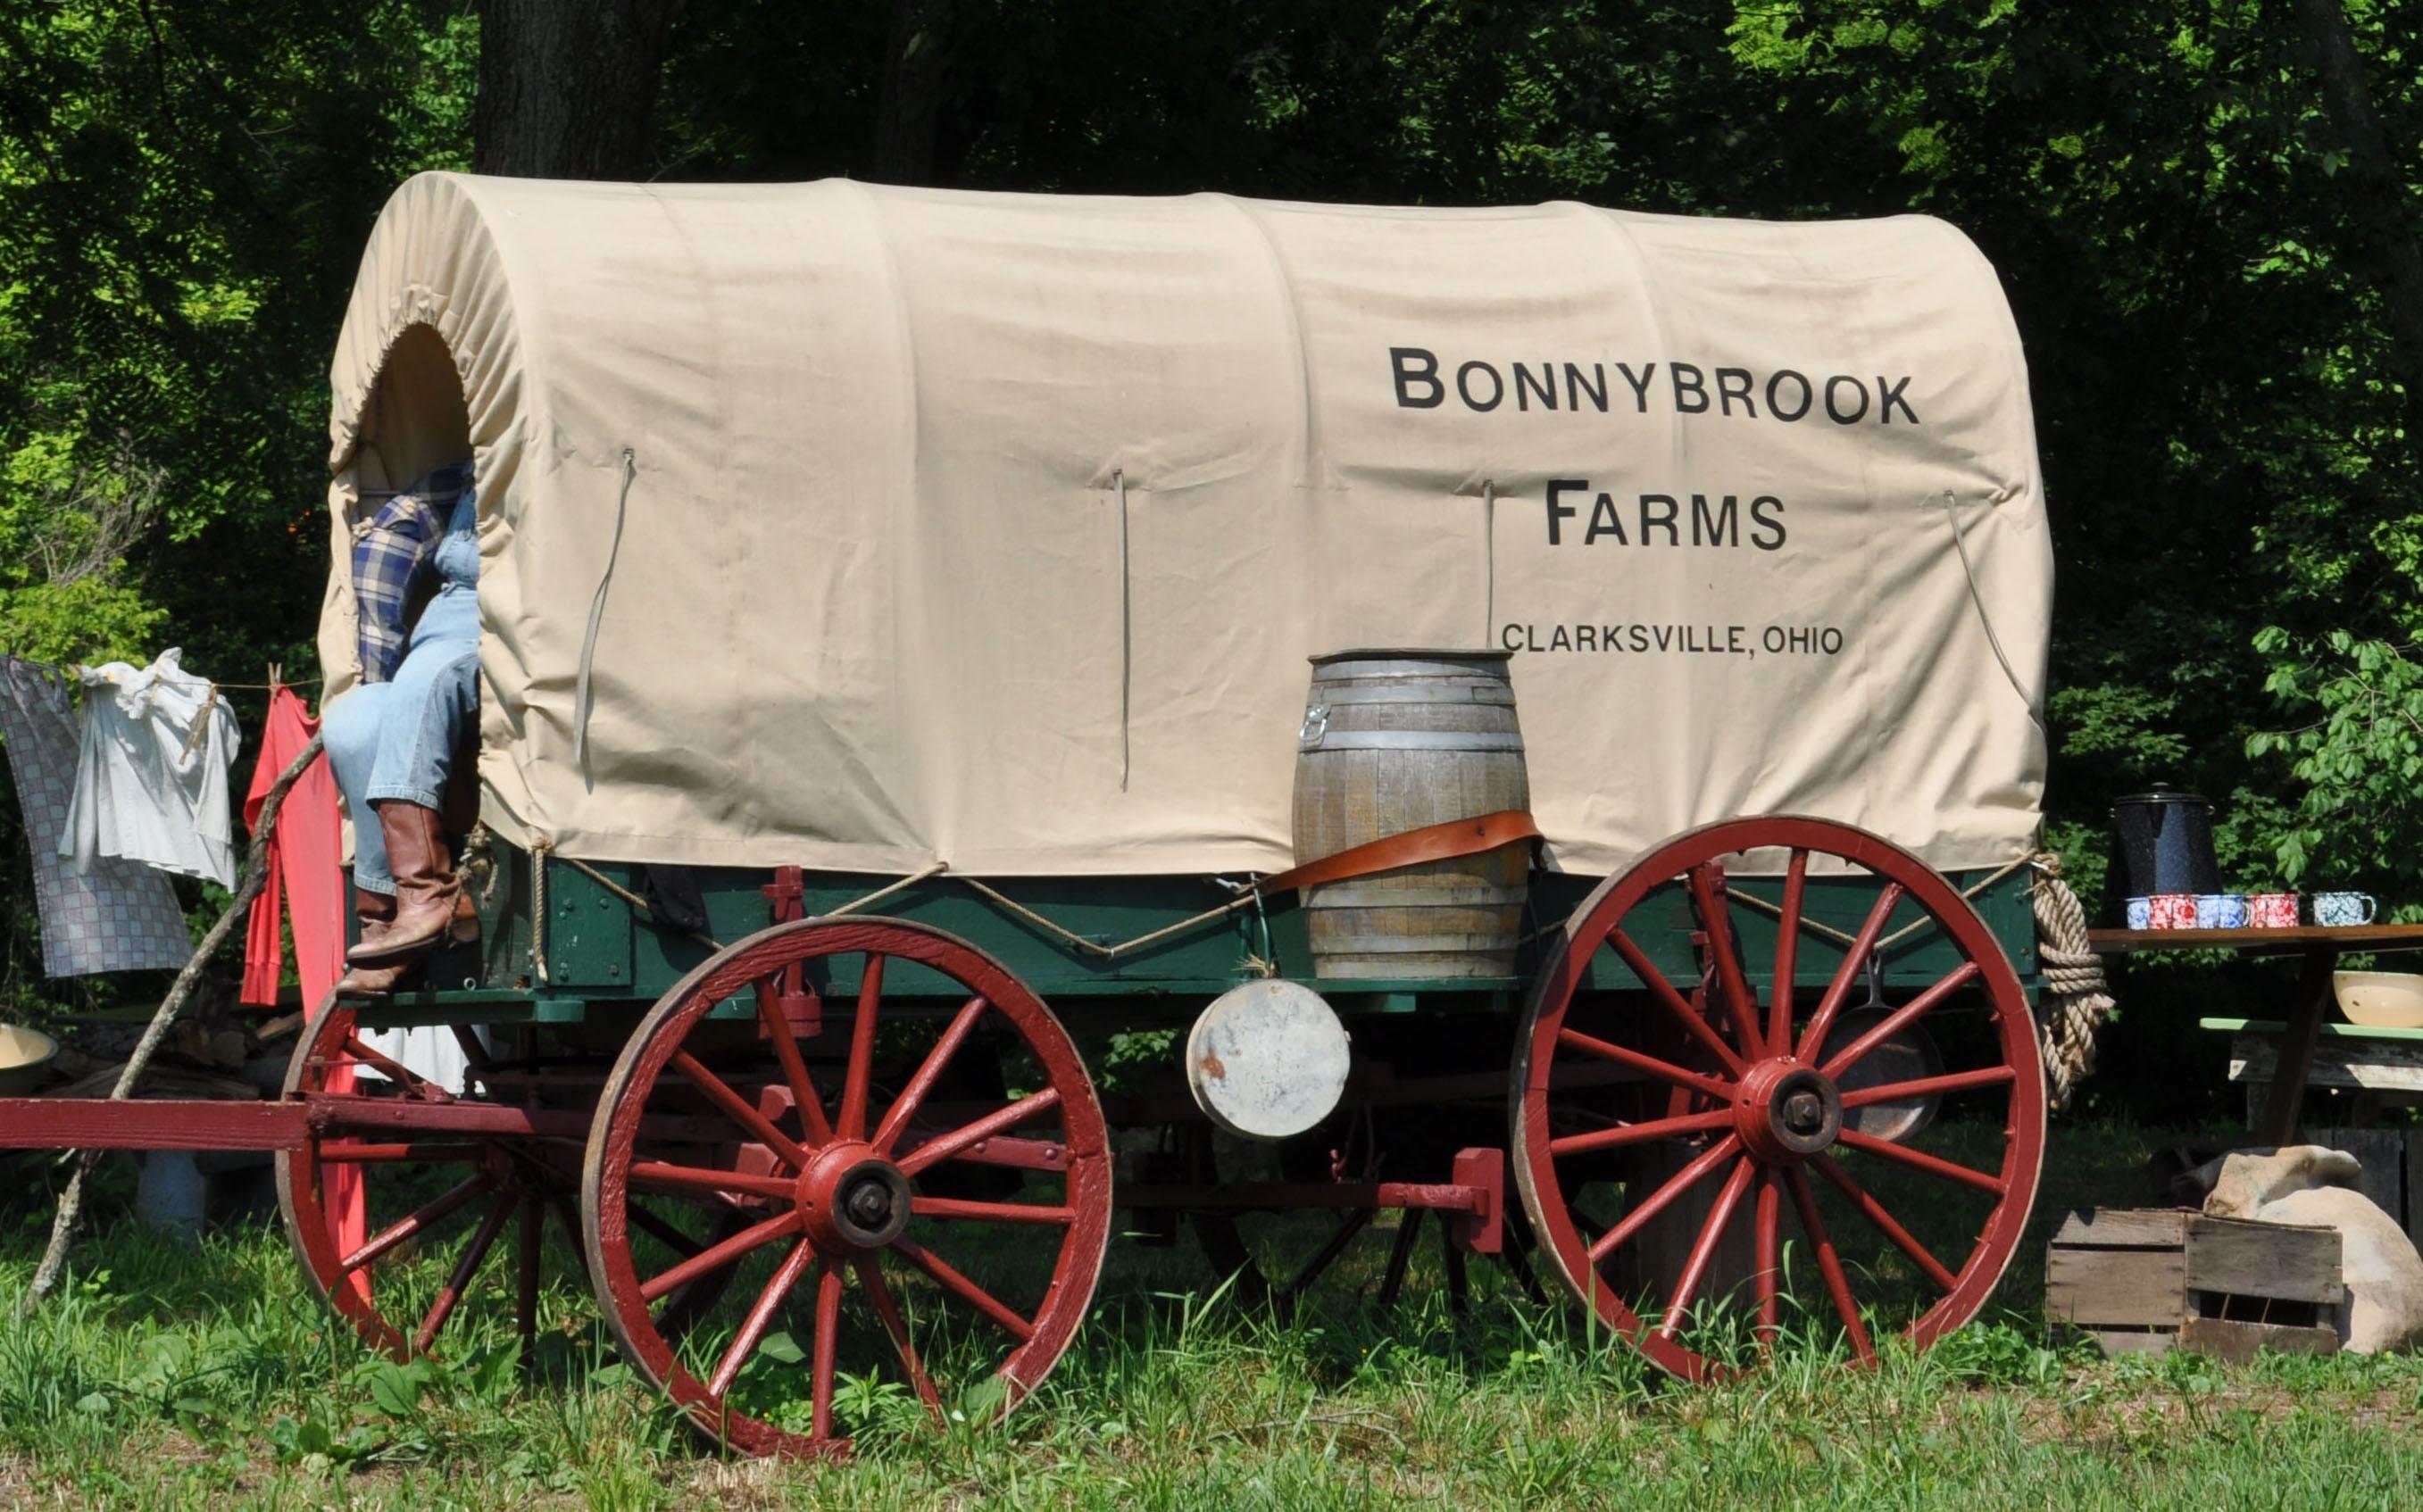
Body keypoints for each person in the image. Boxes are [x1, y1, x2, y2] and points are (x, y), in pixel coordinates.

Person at [321, 462, 480, 994]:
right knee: (353, 720)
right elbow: (408, 523)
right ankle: (385, 917)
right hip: (448, 619)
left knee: (424, 679)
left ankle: (427, 894)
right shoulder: (469, 473)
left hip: (511, 623)